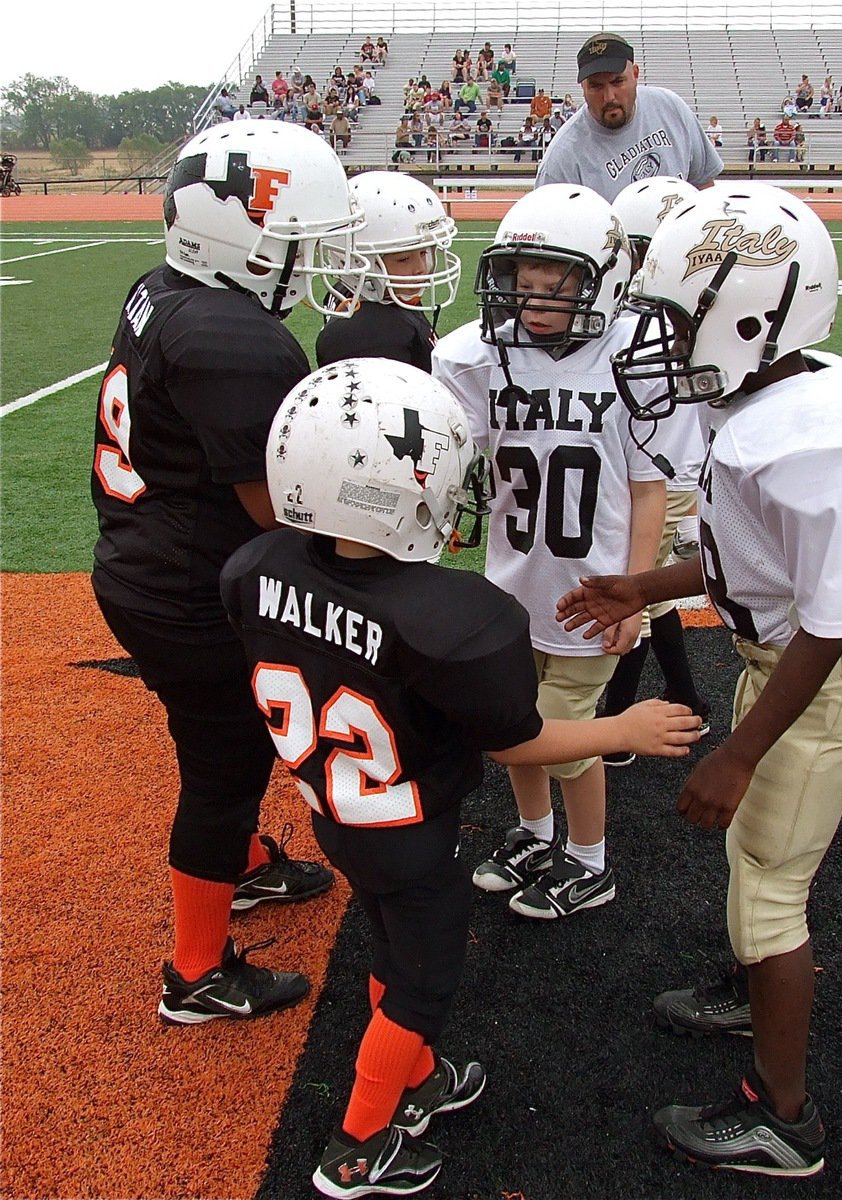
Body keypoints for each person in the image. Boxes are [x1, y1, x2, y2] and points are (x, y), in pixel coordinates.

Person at [221, 358, 699, 1198]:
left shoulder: (253, 567)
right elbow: (514, 742)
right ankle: (360, 1146)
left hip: (334, 809)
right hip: (407, 830)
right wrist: (622, 726)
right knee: (422, 979)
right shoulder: (456, 618)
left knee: (390, 942)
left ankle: (419, 1076)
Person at [556, 182, 842, 1177]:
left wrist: (739, 752)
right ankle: (748, 985)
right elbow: (741, 557)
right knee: (759, 871)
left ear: (758, 318)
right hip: (803, 658)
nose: (660, 341)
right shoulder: (776, 396)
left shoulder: (811, 444)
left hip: (824, 672)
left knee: (768, 888)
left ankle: (784, 1118)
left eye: (679, 319)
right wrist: (642, 580)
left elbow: (829, 619)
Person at [90, 121, 368, 1025]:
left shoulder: (164, 287)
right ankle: (196, 973)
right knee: (224, 763)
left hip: (144, 556)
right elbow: (275, 509)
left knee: (217, 745)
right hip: (184, 585)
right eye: (292, 239)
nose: (304, 261)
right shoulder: (233, 338)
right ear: (237, 236)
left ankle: (242, 864)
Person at [431, 185, 673, 920]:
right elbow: (450, 453)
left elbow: (647, 491)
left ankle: (591, 859)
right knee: (514, 723)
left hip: (588, 590)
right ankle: (537, 834)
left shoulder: (632, 359)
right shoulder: (479, 357)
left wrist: (635, 591)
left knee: (562, 736)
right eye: (521, 284)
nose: (532, 302)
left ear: (604, 280)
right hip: (510, 580)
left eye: (552, 287)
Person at [601, 175, 711, 766]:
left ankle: (616, 718)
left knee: (636, 589)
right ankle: (688, 698)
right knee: (656, 594)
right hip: (663, 465)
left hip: (662, 471)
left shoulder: (659, 318)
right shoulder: (684, 307)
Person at [535, 32, 722, 201]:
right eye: (596, 86)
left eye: (617, 81)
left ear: (635, 74)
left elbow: (704, 186)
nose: (609, 97)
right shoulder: (560, 161)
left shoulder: (671, 108)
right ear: (583, 88)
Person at [317, 172, 460, 371]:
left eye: (423, 252)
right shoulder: (372, 335)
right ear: (358, 261)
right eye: (403, 259)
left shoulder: (366, 295)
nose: (420, 268)